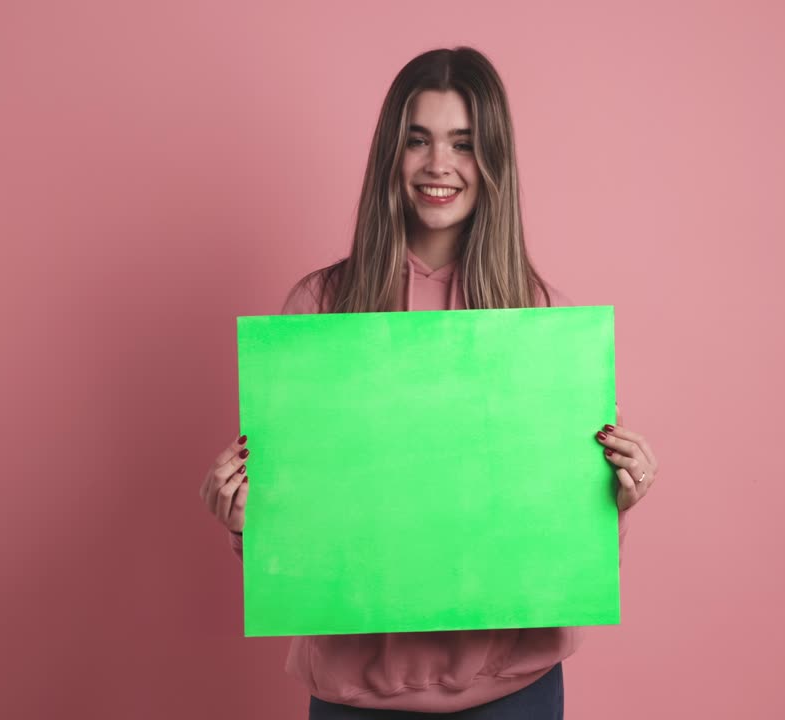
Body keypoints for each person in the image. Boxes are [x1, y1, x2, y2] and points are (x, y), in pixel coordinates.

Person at [200, 46, 660, 719]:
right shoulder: (320, 310)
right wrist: (246, 519)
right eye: (418, 140)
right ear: (392, 154)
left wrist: (617, 494)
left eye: (464, 144)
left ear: (493, 161)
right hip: (358, 696)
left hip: (514, 691)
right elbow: (298, 530)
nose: (439, 164)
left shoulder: (542, 322)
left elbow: (562, 544)